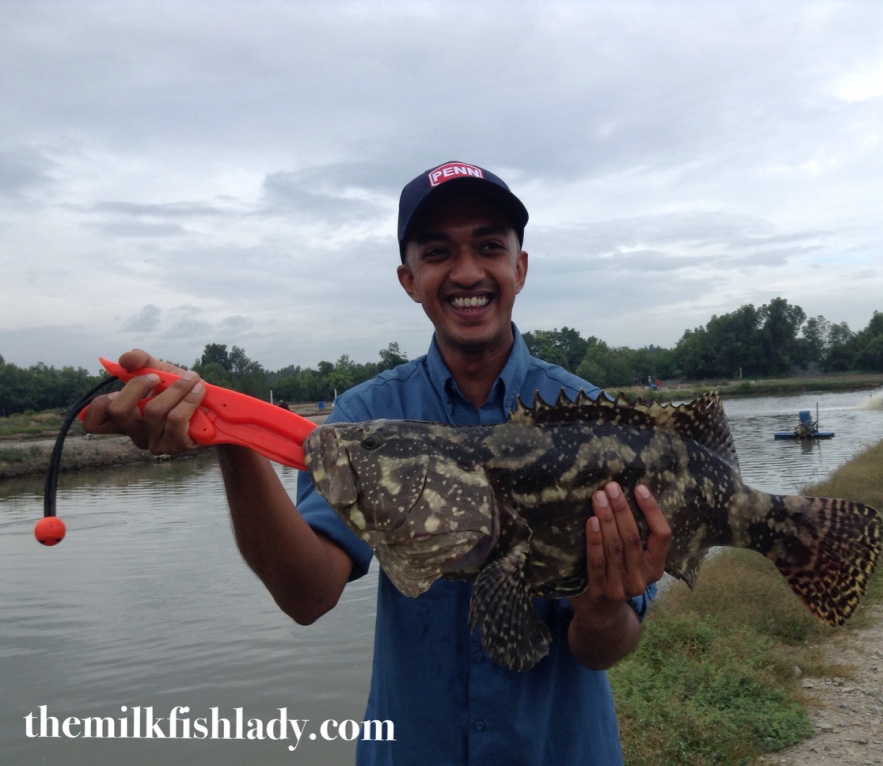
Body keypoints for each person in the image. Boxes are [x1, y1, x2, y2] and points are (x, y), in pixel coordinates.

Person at [82, 160, 672, 766]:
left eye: (489, 247)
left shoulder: (597, 424)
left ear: (520, 267)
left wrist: (602, 604)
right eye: (437, 252)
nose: (468, 271)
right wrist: (229, 435)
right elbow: (307, 595)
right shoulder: (364, 422)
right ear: (408, 279)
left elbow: (604, 649)